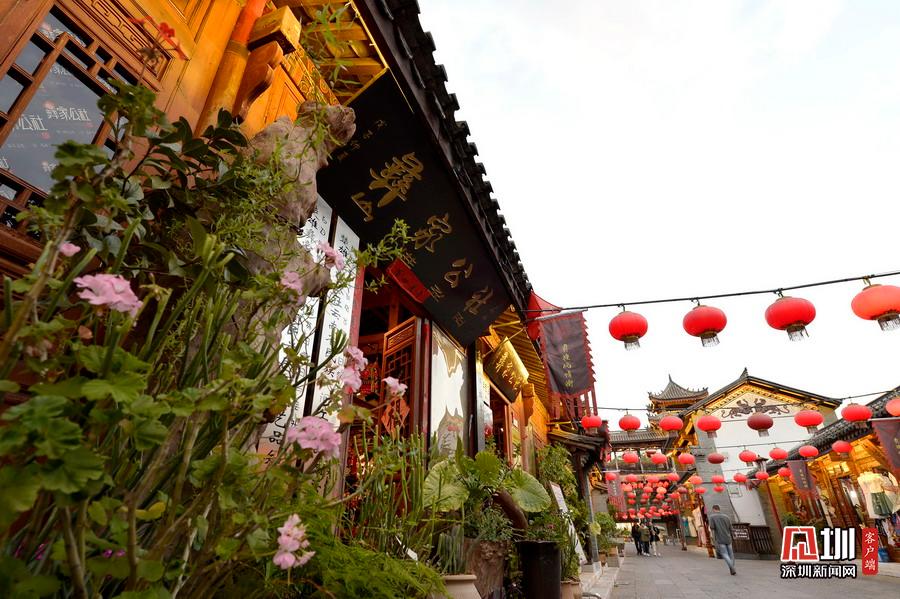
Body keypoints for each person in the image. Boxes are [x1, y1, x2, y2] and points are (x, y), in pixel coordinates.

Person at [707, 504, 736, 575]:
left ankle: (732, 567)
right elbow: (731, 528)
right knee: (731, 554)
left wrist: (713, 537)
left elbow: (712, 527)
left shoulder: (712, 517)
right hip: (728, 538)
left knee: (724, 553)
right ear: (719, 509)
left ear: (713, 509)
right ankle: (732, 568)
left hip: (720, 538)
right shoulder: (726, 517)